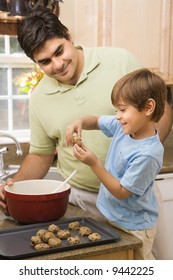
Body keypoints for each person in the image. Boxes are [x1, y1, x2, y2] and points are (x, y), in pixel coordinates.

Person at [0, 7, 172, 219]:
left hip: (139, 195)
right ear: (35, 63)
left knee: (152, 253)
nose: (58, 64)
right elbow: (40, 155)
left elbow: (161, 110)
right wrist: (14, 186)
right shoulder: (39, 98)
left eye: (59, 51)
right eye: (45, 61)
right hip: (83, 202)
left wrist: (145, 158)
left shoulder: (120, 60)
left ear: (68, 37)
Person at [66, 68, 167, 259]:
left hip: (135, 227)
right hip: (114, 218)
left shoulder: (148, 154)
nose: (118, 116)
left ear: (148, 108)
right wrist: (79, 121)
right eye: (116, 111)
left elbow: (121, 192)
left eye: (122, 110)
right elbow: (95, 121)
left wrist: (93, 162)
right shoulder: (125, 128)